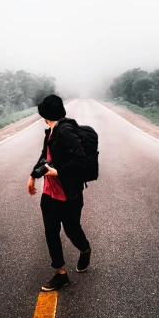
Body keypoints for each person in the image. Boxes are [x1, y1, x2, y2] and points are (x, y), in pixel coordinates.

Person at [27, 94, 92, 291]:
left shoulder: (66, 131)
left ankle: (85, 249)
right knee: (51, 232)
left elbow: (80, 160)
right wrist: (32, 176)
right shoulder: (51, 133)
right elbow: (44, 156)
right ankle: (60, 273)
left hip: (68, 195)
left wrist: (57, 172)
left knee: (72, 230)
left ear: (45, 115)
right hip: (49, 195)